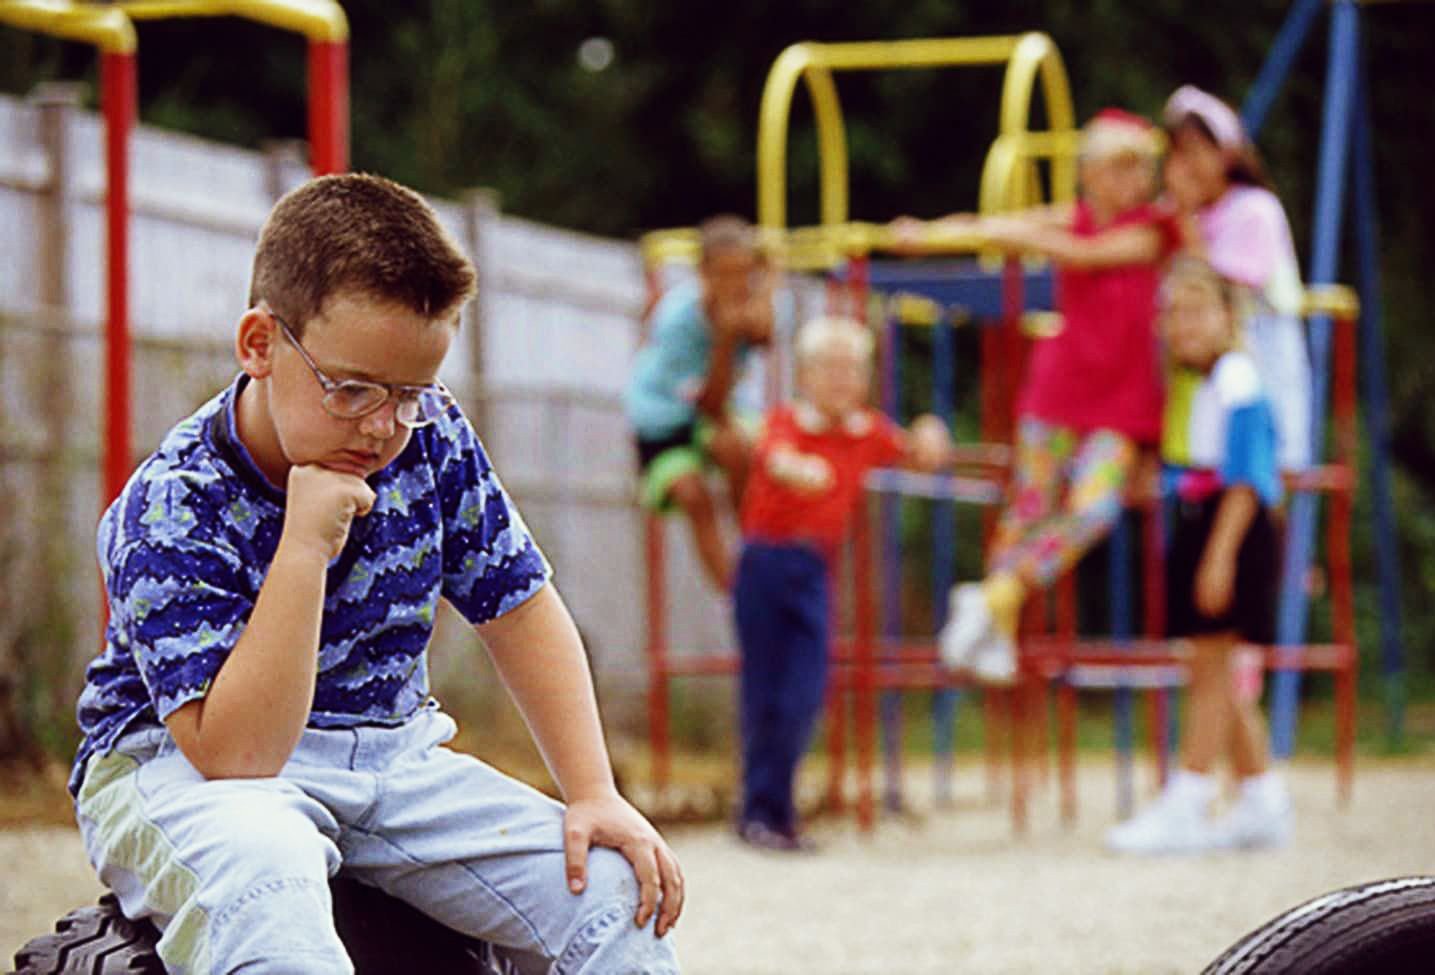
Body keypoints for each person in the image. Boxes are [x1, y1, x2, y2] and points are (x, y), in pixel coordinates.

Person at [69, 173, 682, 973]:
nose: (383, 427)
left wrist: (594, 792)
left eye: (411, 393)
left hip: (391, 757)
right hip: (180, 766)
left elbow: (519, 607)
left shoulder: (429, 439)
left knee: (611, 890)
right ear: (259, 343)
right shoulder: (173, 503)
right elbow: (235, 755)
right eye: (350, 388)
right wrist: (301, 548)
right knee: (266, 878)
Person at [893, 109, 1182, 684]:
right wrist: (930, 234)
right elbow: (995, 224)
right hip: (1059, 388)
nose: (1133, 182)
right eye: (1120, 169)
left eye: (1140, 169)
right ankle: (994, 626)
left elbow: (1083, 255)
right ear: (1090, 173)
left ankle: (995, 596)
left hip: (1121, 402)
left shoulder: (1153, 229)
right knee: (1027, 510)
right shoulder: (1071, 218)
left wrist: (1014, 235)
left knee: (1094, 510)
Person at [733, 315, 952, 851]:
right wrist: (794, 469)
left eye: (852, 368)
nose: (840, 379)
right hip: (765, 563)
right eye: (828, 367)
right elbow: (776, 454)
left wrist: (931, 432)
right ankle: (763, 813)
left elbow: (917, 454)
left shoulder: (867, 430)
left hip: (813, 569)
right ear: (804, 374)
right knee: (764, 690)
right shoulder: (789, 422)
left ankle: (775, 809)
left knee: (805, 691)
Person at [1107, 257, 1290, 855]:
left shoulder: (1238, 378)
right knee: (1210, 666)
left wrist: (1219, 556)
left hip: (1228, 526)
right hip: (1199, 519)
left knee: (1209, 667)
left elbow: (1245, 478)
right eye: (1173, 313)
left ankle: (1187, 798)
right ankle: (1262, 798)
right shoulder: (1191, 382)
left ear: (1225, 316)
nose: (1183, 324)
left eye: (1196, 310)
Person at [1162, 84, 1312, 475]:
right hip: (1201, 373)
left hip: (1260, 361)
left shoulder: (1255, 209)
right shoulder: (1184, 213)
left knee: (1260, 474)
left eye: (1195, 150)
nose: (1185, 165)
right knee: (1208, 472)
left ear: (1225, 153)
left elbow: (1220, 285)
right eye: (1178, 152)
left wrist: (1182, 216)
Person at [624, 215, 775, 590]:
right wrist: (724, 340)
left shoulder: (754, 304)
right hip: (663, 419)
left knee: (740, 449)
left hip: (711, 412)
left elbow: (764, 335)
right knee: (695, 497)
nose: (735, 285)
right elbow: (710, 404)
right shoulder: (677, 320)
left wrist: (767, 287)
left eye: (744, 273)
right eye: (724, 275)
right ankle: (736, 596)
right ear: (703, 273)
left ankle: (757, 553)